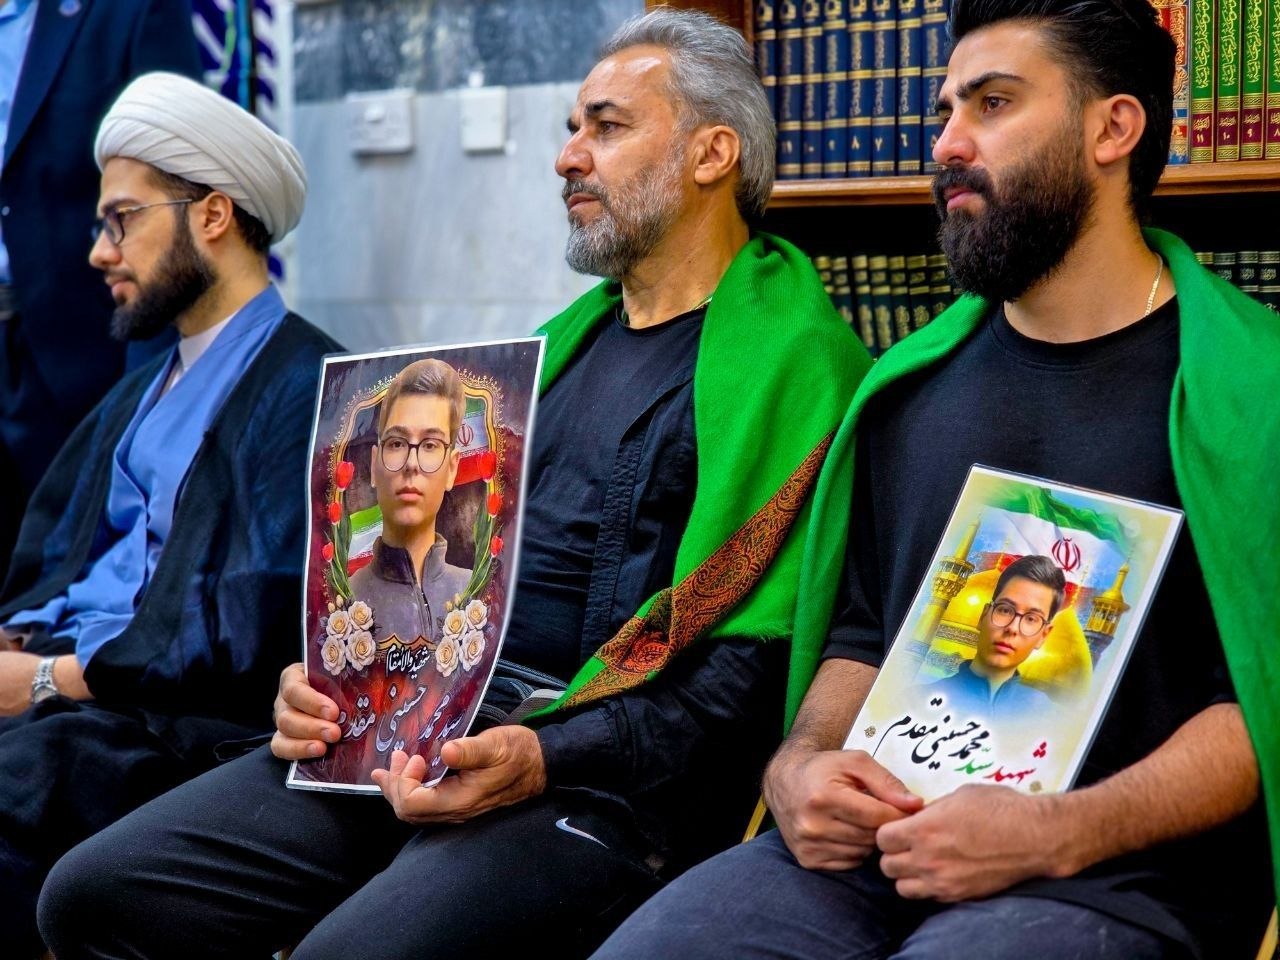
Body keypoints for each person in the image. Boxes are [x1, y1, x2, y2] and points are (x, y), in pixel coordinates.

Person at [37, 9, 870, 960]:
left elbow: (738, 685)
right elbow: (424, 580)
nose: (567, 157)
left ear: (712, 154)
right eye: (572, 128)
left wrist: (543, 753)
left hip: (597, 779)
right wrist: (329, 682)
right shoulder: (554, 350)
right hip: (417, 724)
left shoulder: (795, 367)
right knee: (96, 895)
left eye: (605, 128)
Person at [589, 0, 1279, 957]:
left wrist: (1060, 831)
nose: (947, 144)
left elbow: (1258, 697)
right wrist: (800, 767)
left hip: (1115, 880)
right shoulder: (908, 388)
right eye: (945, 110)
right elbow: (864, 634)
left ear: (1113, 128)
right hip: (868, 855)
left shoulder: (1252, 395)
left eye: (993, 104)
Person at [0, 71, 338, 957]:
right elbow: (61, 564)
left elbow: (244, 634)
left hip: (165, 728)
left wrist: (47, 681)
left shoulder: (310, 390)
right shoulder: (147, 386)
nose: (99, 252)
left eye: (121, 219)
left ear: (212, 215)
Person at [0, 0, 201, 583]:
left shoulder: (131, 12)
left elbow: (177, 192)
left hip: (81, 359)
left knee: (74, 582)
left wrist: (151, 389)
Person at [348, 358, 472, 647]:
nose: (411, 464)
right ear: (375, 465)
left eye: (430, 445)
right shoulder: (341, 601)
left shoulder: (478, 595)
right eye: (397, 443)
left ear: (452, 469)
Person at [925, 555, 1061, 720]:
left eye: (1031, 619)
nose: (1012, 628)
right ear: (983, 616)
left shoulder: (1050, 720)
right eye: (1005, 610)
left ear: (1043, 636)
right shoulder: (916, 702)